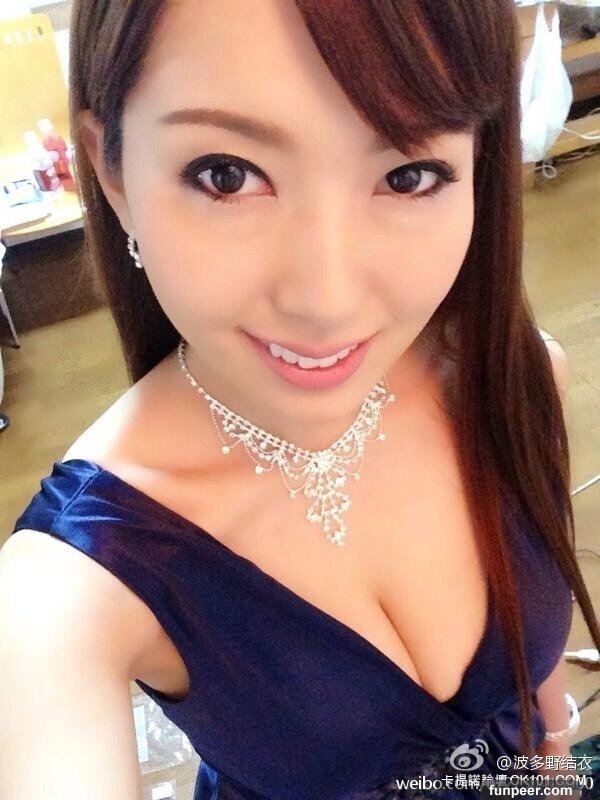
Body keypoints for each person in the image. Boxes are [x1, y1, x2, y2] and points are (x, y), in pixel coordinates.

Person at [1, 1, 597, 798]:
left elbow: (534, 682)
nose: (327, 300)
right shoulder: (69, 586)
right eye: (226, 174)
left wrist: (550, 763)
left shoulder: (515, 383)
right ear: (114, 177)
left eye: (408, 174)